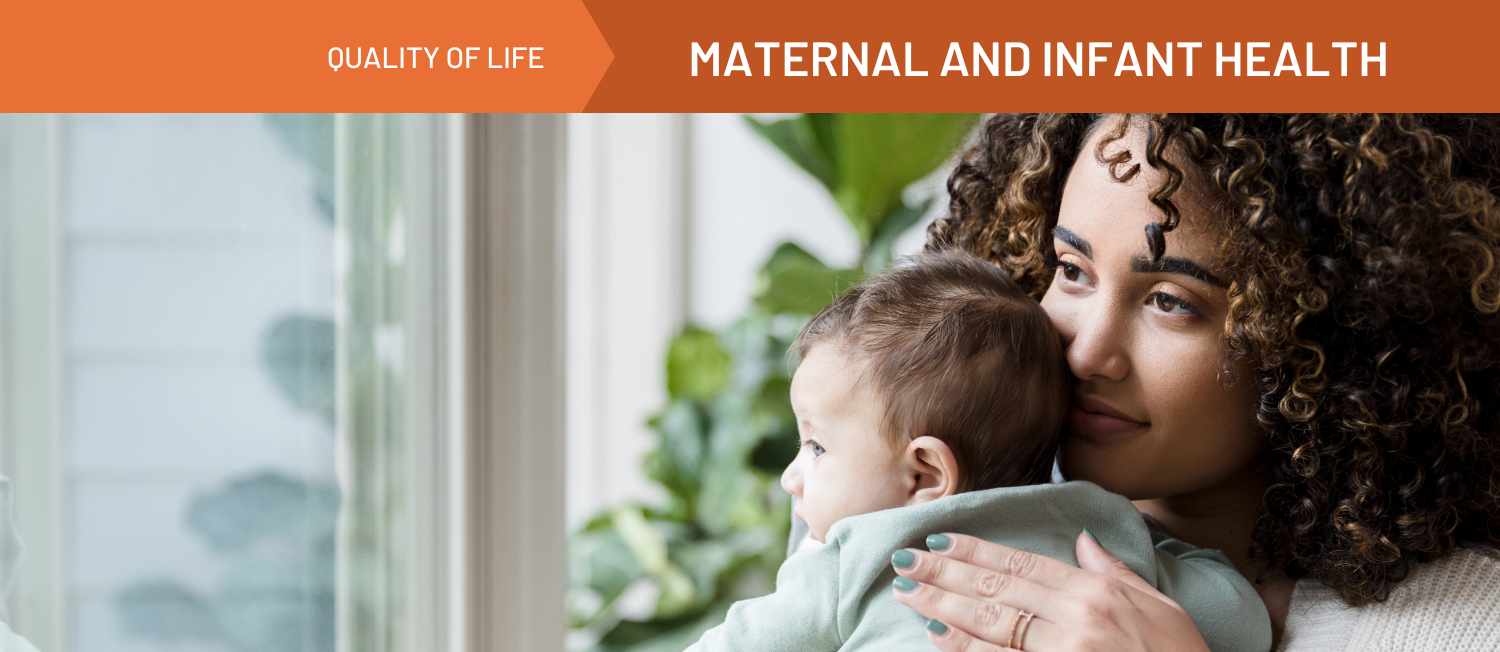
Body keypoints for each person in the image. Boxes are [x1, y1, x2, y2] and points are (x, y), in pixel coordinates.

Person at [886, 113, 1500, 651]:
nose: (1086, 354)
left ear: (1326, 337)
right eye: (1072, 269)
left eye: (1172, 302)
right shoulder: (902, 491)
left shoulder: (1464, 630)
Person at [688, 250, 1271, 652]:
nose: (792, 477)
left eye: (815, 446)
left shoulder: (852, 556)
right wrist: (1157, 548)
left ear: (925, 473)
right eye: (1071, 268)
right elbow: (1242, 624)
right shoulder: (1102, 538)